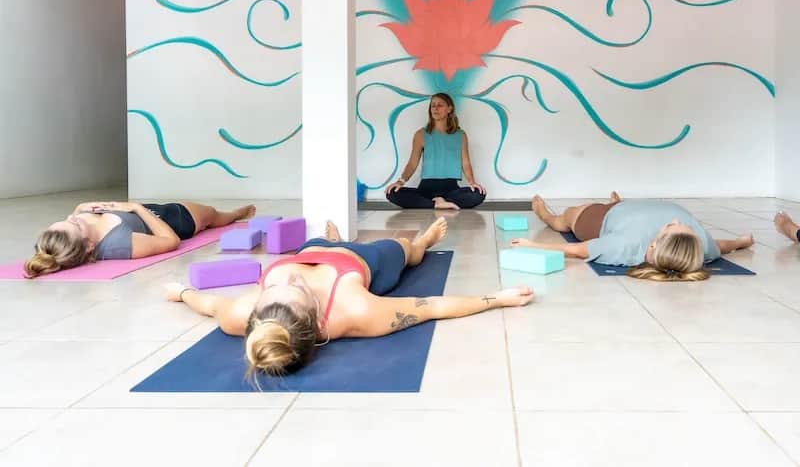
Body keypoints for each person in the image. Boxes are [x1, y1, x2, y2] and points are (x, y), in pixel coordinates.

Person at [166, 217, 534, 376]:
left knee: (319, 241)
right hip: (368, 262)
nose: (289, 276)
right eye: (295, 289)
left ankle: (333, 235)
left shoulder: (245, 315)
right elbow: (431, 306)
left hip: (313, 249)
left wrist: (182, 292)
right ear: (315, 318)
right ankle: (424, 240)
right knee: (410, 251)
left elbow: (210, 303)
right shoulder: (355, 311)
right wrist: (497, 298)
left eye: (273, 285)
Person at [510, 193, 754, 281]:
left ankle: (547, 216)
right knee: (622, 211)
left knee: (568, 220)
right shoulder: (701, 246)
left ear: (653, 244)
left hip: (609, 217)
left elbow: (578, 250)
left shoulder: (624, 246)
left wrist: (532, 244)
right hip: (635, 209)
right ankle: (619, 204)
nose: (678, 221)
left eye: (671, 226)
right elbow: (722, 246)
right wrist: (740, 242)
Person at [24, 201, 255, 278]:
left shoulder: (76, 228)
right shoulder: (119, 244)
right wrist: (136, 207)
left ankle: (231, 213)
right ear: (89, 246)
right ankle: (235, 215)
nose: (73, 217)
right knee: (213, 216)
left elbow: (77, 210)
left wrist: (81, 209)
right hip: (173, 219)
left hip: (148, 211)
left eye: (68, 218)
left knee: (212, 213)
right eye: (75, 223)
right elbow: (170, 240)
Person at [385, 93, 486, 210]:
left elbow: (465, 163)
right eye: (433, 106)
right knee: (392, 192)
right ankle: (438, 204)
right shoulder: (420, 134)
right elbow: (412, 163)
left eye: (440, 105)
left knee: (479, 194)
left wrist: (472, 183)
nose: (435, 108)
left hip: (451, 190)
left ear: (449, 109)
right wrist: (400, 182)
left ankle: (433, 203)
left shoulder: (461, 135)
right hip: (426, 189)